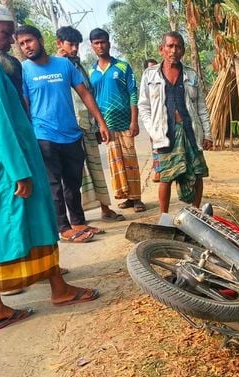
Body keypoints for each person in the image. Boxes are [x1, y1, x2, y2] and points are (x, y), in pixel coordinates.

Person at [0, 0, 100, 331]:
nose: (10, 40)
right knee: (37, 222)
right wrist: (19, 170)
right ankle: (57, 290)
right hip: (8, 164)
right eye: (4, 33)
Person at [16, 24, 111, 243]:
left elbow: (85, 94)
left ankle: (78, 222)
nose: (26, 47)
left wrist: (101, 123)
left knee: (73, 182)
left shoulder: (64, 65)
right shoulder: (24, 71)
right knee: (54, 185)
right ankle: (64, 227)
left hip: (71, 134)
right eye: (21, 44)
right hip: (44, 136)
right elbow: (26, 105)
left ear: (40, 40)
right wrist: (29, 137)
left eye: (29, 41)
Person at [55, 26, 125, 222]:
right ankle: (77, 217)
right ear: (59, 44)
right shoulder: (56, 66)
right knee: (73, 174)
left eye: (77, 45)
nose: (75, 49)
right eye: (71, 44)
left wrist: (98, 123)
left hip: (87, 123)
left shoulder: (77, 65)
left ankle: (104, 208)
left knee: (94, 167)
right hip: (69, 126)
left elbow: (87, 95)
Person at [138, 31, 212, 214]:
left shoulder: (191, 75)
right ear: (161, 49)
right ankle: (164, 216)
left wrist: (208, 134)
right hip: (165, 133)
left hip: (190, 130)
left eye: (178, 46)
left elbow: (201, 106)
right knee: (166, 176)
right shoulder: (150, 75)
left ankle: (196, 213)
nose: (174, 50)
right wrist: (153, 131)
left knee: (197, 172)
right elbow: (144, 106)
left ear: (183, 51)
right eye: (170, 46)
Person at [89, 28, 146, 213]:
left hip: (125, 122)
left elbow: (133, 93)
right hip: (106, 125)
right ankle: (125, 196)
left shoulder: (123, 67)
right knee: (116, 163)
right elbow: (90, 98)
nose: (100, 45)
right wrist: (98, 125)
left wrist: (134, 121)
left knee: (130, 160)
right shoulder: (91, 71)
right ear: (92, 46)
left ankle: (136, 198)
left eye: (103, 41)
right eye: (96, 43)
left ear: (108, 43)